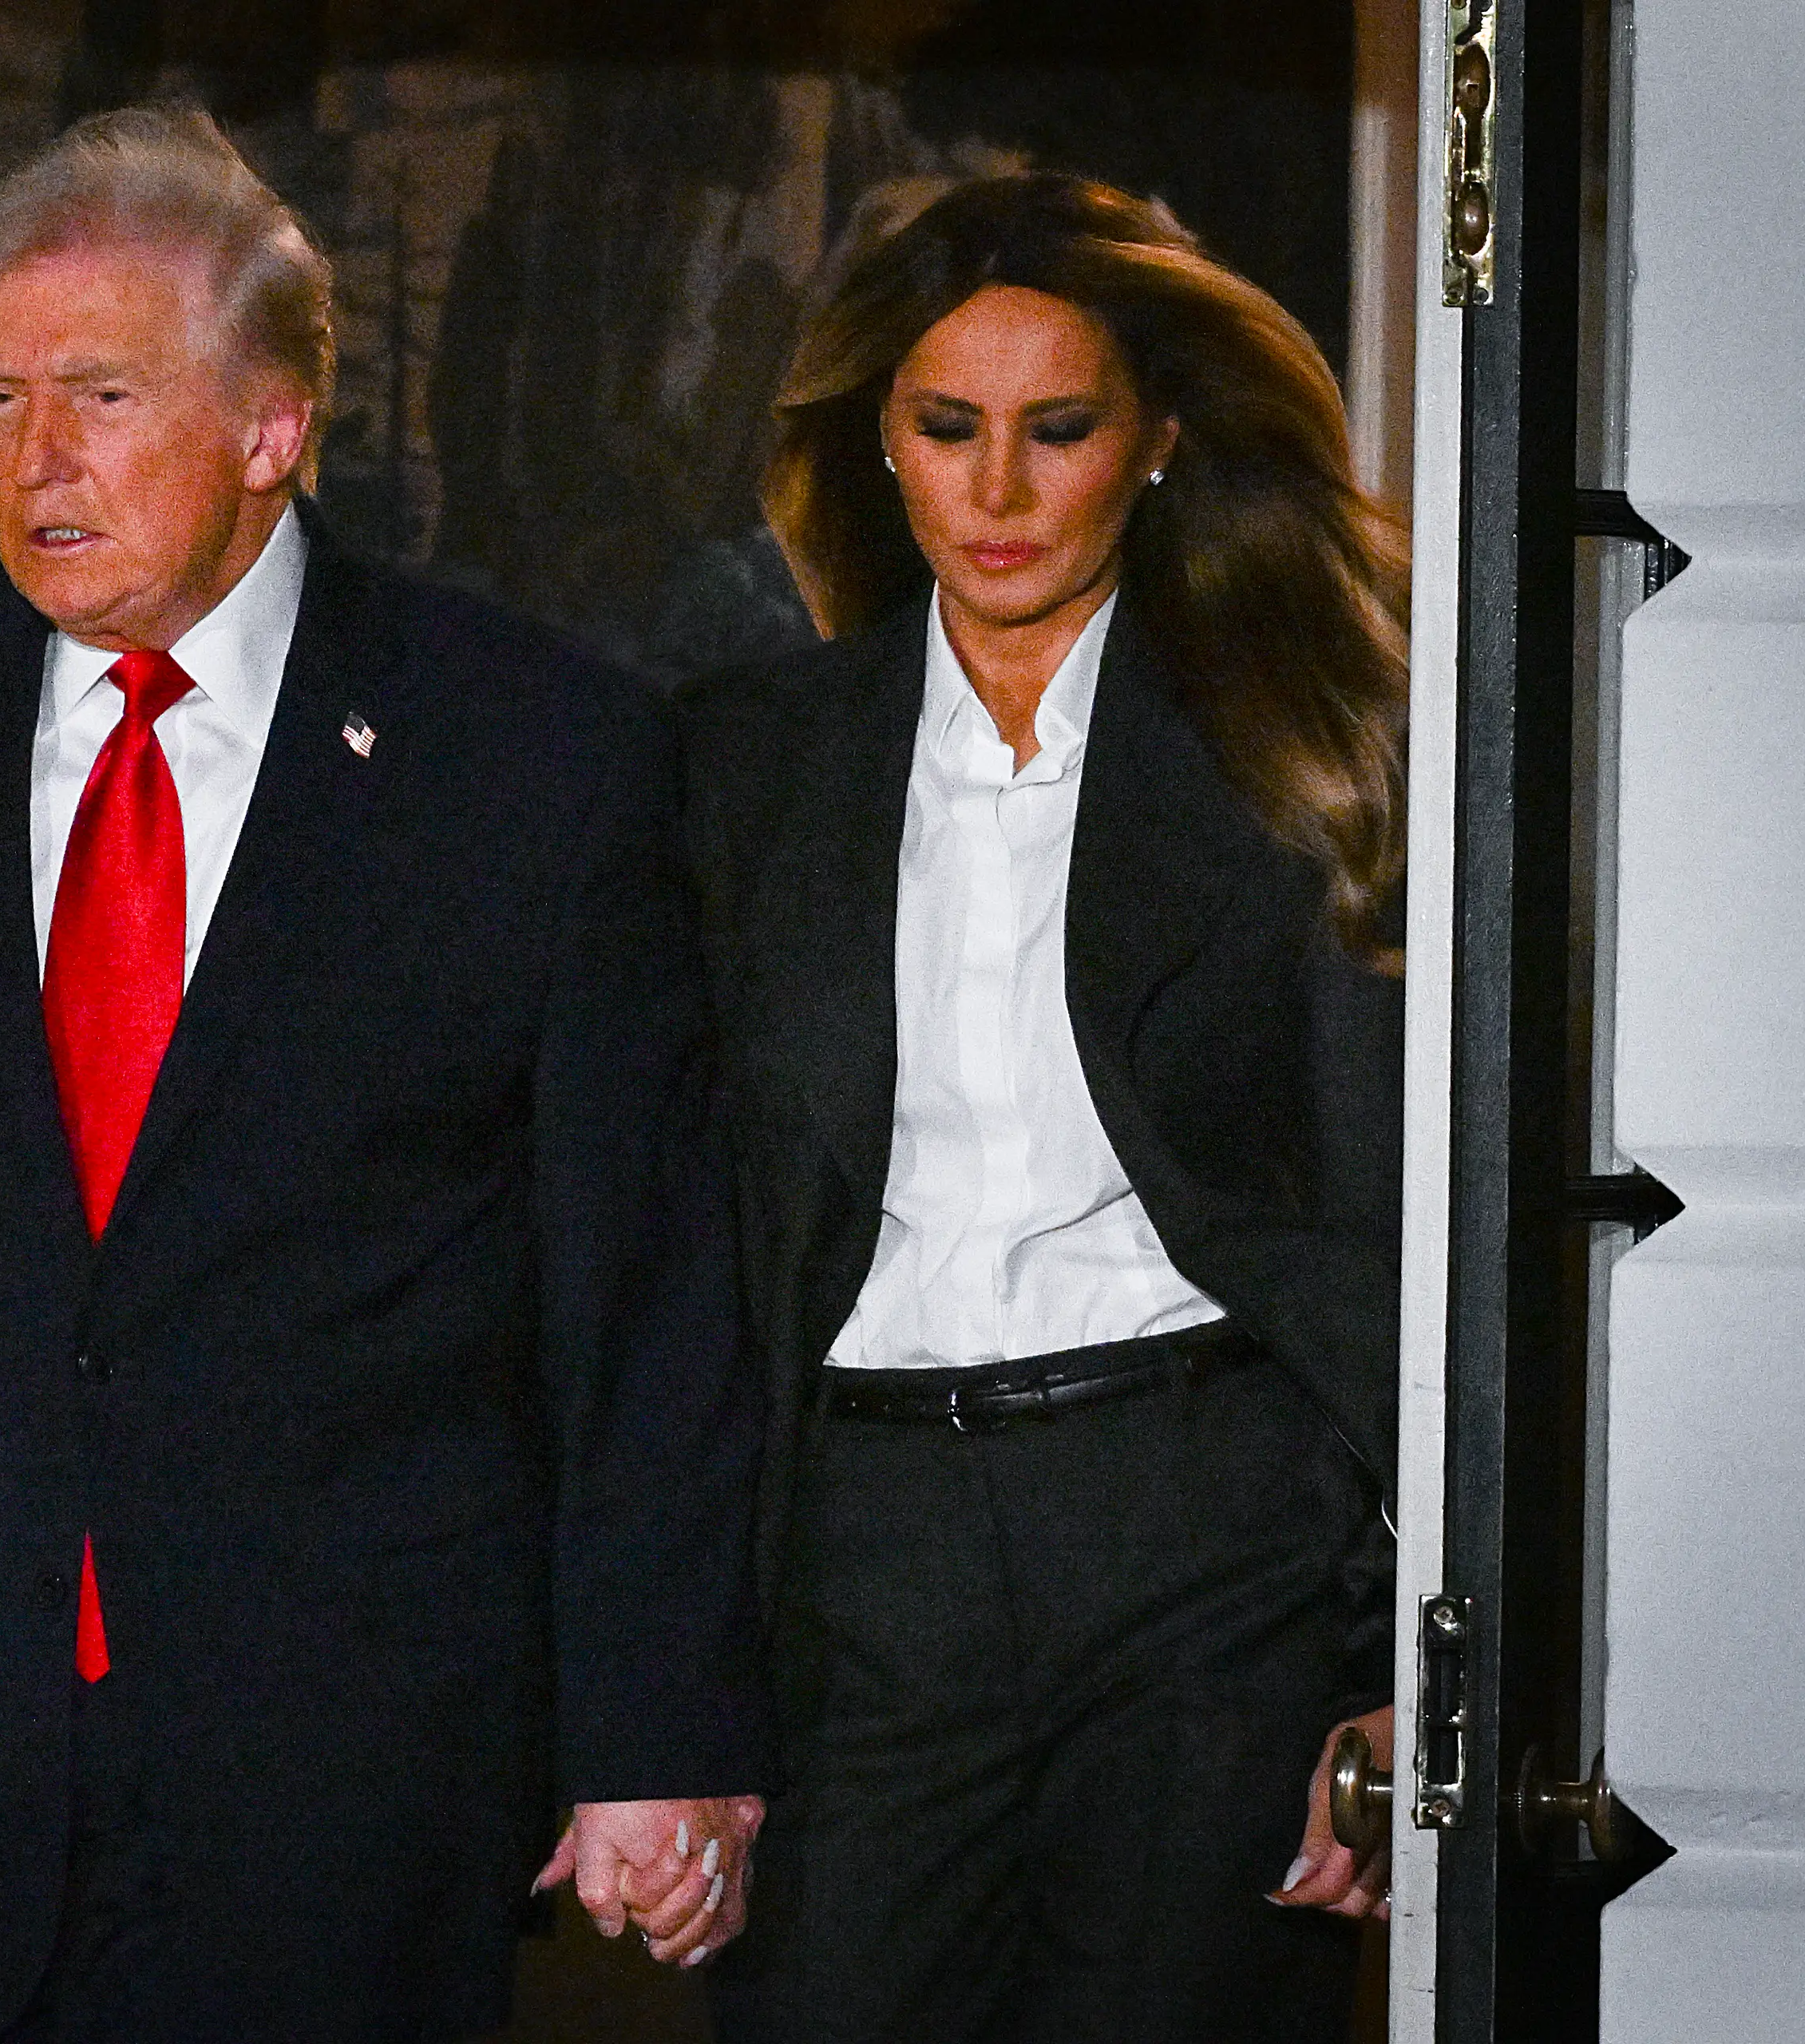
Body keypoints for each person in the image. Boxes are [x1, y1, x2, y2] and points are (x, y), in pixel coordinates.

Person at [0, 105, 770, 2044]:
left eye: (102, 394)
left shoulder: (534, 758)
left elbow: (644, 1294)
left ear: (275, 425)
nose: (36, 461)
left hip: (344, 1806)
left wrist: (660, 1729)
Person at [677, 173, 1406, 2042]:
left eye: (1058, 428)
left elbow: (1393, 1218)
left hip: (1207, 1545)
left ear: (1156, 443)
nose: (999, 490)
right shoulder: (745, 774)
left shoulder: (1298, 759)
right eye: (948, 428)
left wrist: (1398, 1642)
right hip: (861, 1551)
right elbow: (682, 1243)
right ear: (885, 451)